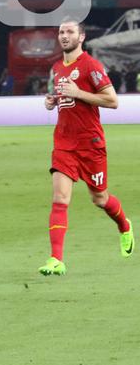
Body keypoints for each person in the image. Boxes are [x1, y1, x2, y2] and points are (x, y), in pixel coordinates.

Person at [39, 20, 132, 276]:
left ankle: (124, 225)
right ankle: (56, 259)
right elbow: (65, 99)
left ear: (81, 37)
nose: (64, 36)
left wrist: (78, 93)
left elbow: (112, 101)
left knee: (99, 199)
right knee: (60, 199)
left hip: (90, 144)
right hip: (64, 143)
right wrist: (52, 101)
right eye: (61, 32)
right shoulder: (57, 68)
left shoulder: (91, 66)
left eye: (70, 32)